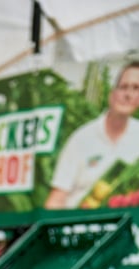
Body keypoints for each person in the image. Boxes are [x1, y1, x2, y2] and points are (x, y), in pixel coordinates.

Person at [45, 61, 139, 210]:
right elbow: (56, 199)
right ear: (112, 94)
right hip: (81, 226)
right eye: (123, 87)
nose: (128, 95)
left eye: (136, 88)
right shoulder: (81, 139)